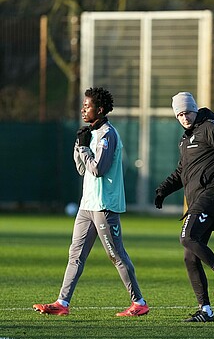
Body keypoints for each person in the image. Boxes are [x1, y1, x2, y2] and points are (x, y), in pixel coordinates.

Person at [33, 87, 149, 317]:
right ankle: (62, 303)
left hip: (104, 206)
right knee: (75, 255)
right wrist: (78, 146)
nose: (83, 109)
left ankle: (139, 302)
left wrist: (85, 148)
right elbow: (81, 169)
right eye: (84, 105)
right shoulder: (92, 133)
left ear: (100, 109)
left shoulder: (108, 134)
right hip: (87, 204)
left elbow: (98, 169)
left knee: (116, 255)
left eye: (87, 106)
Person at [155, 92, 214, 322]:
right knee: (190, 257)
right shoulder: (185, 140)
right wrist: (163, 190)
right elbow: (181, 173)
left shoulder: (212, 128)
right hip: (196, 200)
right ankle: (205, 310)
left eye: (187, 112)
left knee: (187, 237)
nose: (184, 117)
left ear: (195, 109)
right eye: (180, 114)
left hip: (212, 196)